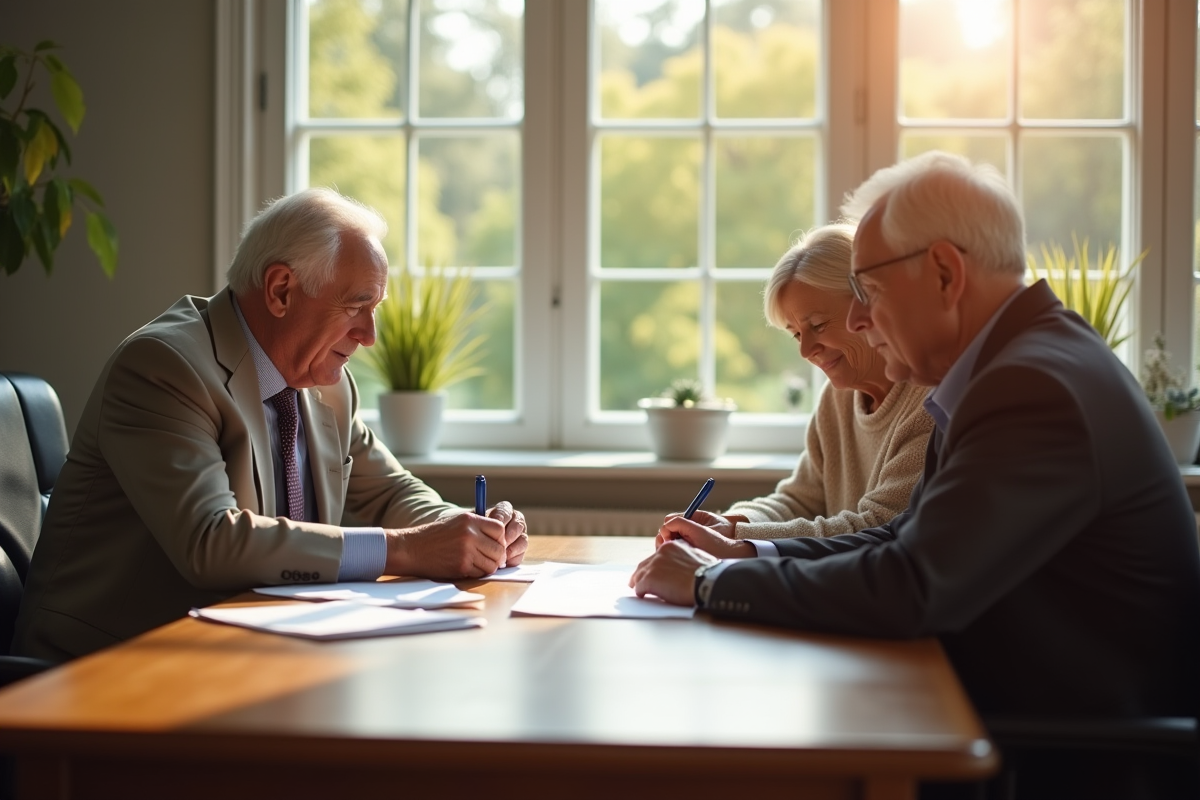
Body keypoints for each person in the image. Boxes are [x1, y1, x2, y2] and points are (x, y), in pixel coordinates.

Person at [631, 152, 1200, 796]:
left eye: (867, 293)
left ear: (944, 274)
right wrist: (744, 553)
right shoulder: (1008, 367)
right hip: (1013, 717)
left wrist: (714, 584)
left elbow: (911, 585)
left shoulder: (1030, 387)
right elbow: (904, 538)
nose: (858, 323)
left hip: (1066, 758)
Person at [14, 188, 527, 662]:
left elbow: (388, 492)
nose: (369, 335)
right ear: (281, 290)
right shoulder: (164, 366)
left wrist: (467, 530)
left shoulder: (326, 381)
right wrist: (411, 548)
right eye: (356, 306)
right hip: (102, 672)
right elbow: (212, 541)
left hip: (246, 652)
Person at [686, 223, 932, 541]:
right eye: (797, 334)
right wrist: (732, 521)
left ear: (868, 304)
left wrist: (738, 534)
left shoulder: (930, 403)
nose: (805, 350)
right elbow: (799, 500)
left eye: (817, 324)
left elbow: (879, 526)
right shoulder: (836, 398)